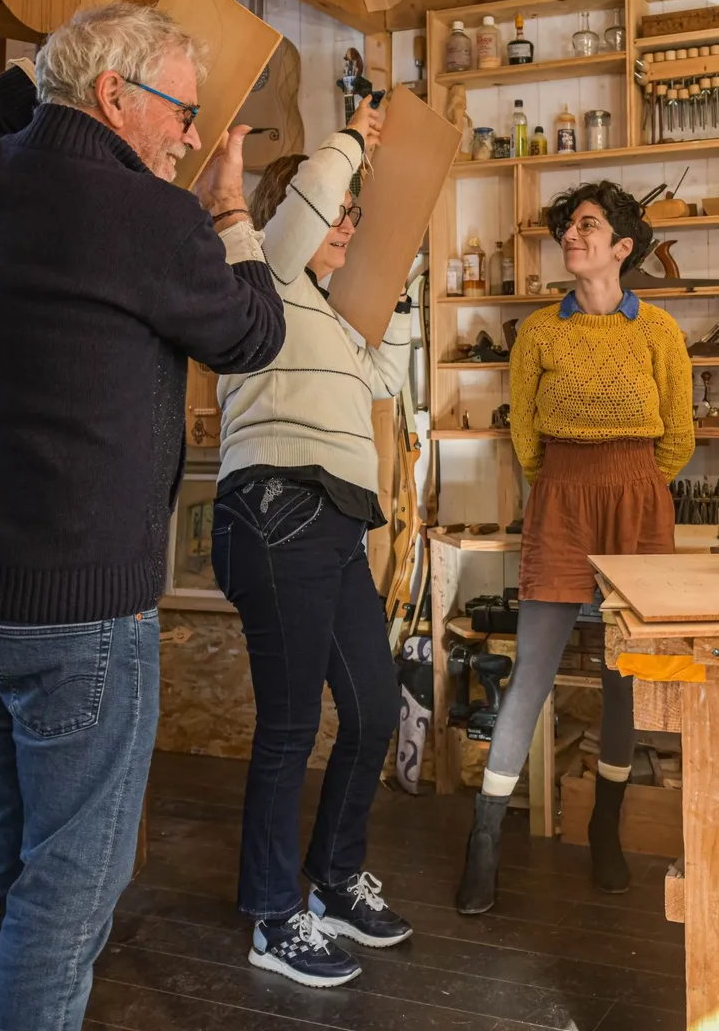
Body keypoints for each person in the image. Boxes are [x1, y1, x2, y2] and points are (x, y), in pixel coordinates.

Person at [0, 3, 286, 1031]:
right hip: (74, 619)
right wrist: (231, 210)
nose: (194, 137)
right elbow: (252, 332)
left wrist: (52, 65)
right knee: (70, 887)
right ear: (115, 96)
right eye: (183, 113)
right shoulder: (149, 219)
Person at [212, 103, 416, 989]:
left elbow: (382, 380)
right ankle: (270, 913)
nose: (345, 229)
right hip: (274, 510)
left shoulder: (324, 314)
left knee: (372, 712)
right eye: (335, 214)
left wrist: (396, 296)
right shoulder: (259, 270)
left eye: (348, 220)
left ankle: (331, 882)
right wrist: (352, 143)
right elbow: (307, 206)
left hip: (332, 520)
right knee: (291, 728)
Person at [455, 181, 694, 915]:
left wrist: (631, 486)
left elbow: (677, 437)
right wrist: (562, 485)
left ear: (623, 247)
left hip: (637, 499)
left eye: (588, 226)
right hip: (559, 496)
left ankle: (606, 830)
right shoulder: (539, 334)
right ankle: (485, 842)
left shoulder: (658, 331)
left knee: (627, 671)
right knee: (533, 671)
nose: (572, 236)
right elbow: (524, 435)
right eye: (567, 228)